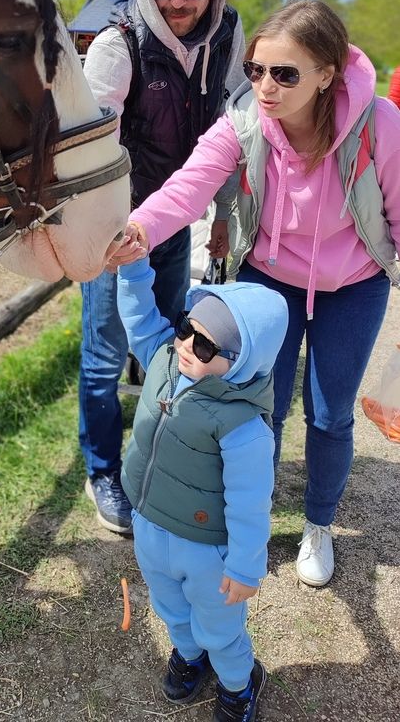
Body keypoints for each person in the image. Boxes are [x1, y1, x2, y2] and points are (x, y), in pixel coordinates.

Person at [113, 0, 400, 585]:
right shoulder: (243, 123)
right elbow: (187, 189)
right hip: (268, 284)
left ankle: (318, 524)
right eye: (256, 70)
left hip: (354, 286)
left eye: (285, 73)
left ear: (327, 75)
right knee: (255, 408)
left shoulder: (380, 125)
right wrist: (139, 228)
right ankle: (255, 516)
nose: (265, 86)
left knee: (329, 414)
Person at [79, 0, 246, 534]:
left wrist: (224, 211)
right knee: (104, 350)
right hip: (117, 224)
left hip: (175, 218)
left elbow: (232, 131)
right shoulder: (117, 45)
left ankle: (160, 454)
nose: (178, 1)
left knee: (172, 341)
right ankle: (102, 469)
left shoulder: (228, 37)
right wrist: (108, 228)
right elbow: (93, 149)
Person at [117, 258, 287, 720]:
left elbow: (251, 503)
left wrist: (246, 567)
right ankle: (189, 656)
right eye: (186, 328)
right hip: (150, 523)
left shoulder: (244, 426)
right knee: (168, 605)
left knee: (220, 627)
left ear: (239, 361)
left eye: (206, 343)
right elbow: (138, 317)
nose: (188, 345)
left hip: (206, 548)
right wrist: (132, 270)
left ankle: (237, 684)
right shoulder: (165, 358)